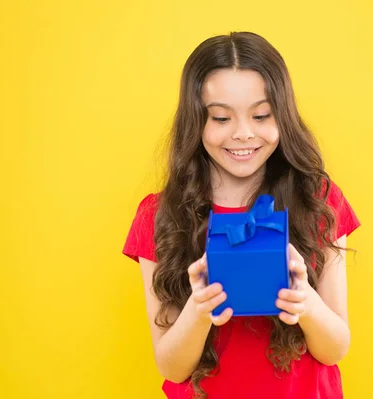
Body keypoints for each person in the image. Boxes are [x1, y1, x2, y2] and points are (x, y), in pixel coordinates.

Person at [122, 31, 360, 399]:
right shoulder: (159, 215)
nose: (243, 134)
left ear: (282, 115)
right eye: (220, 118)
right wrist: (198, 311)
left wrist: (306, 302)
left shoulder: (318, 201)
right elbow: (170, 366)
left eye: (261, 114)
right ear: (196, 121)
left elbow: (335, 348)